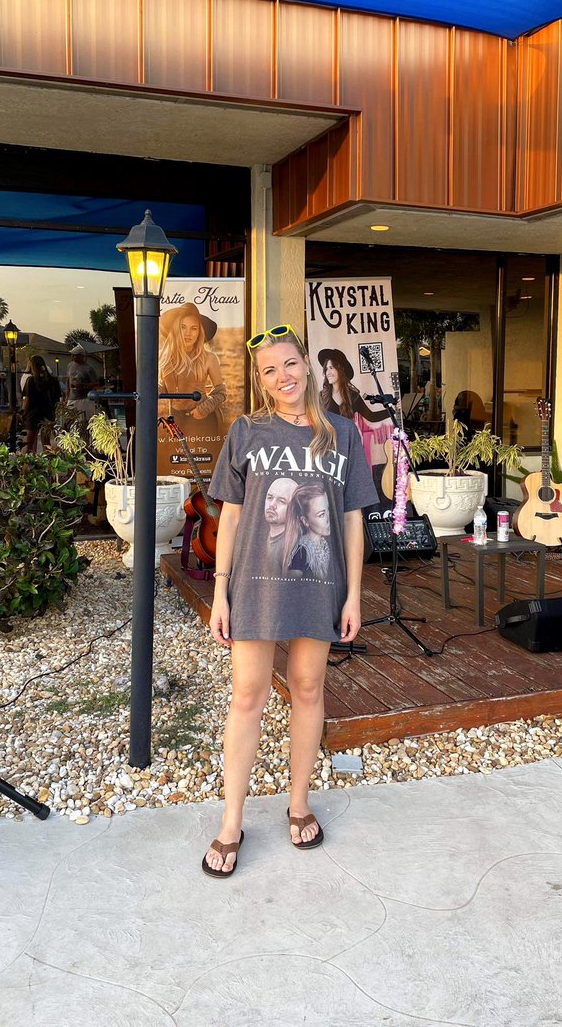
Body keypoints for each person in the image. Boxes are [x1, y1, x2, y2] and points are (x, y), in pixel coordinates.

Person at [202, 324, 377, 877]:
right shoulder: (247, 431)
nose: (283, 377)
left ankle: (298, 803)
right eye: (269, 370)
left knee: (307, 688)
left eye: (290, 363)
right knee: (247, 697)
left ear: (308, 364)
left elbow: (351, 520)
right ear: (259, 380)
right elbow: (230, 514)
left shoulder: (343, 434)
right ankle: (232, 822)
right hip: (254, 584)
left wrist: (353, 593)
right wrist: (220, 589)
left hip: (318, 584)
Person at [318, 347, 393, 501]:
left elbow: (371, 416)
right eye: (326, 369)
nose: (328, 372)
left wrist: (391, 410)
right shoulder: (321, 396)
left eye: (332, 367)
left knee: (349, 488)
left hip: (348, 447)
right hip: (328, 447)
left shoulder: (354, 396)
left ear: (340, 370)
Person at [158, 302, 227, 436]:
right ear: (176, 329)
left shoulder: (209, 358)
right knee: (175, 456)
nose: (188, 333)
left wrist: (204, 409)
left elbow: (221, 392)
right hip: (175, 419)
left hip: (203, 419)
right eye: (183, 327)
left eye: (194, 328)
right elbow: (165, 386)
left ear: (199, 332)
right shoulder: (164, 357)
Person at [283, 483, 331, 579]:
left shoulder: (324, 544)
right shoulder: (301, 552)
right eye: (321, 514)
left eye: (328, 510)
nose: (328, 518)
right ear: (305, 521)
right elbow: (290, 587)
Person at [20, 354, 62, 453]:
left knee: (29, 442)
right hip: (48, 413)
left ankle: (28, 464)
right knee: (46, 442)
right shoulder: (53, 380)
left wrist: (23, 413)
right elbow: (57, 397)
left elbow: (27, 399)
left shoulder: (31, 380)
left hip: (33, 413)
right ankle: (48, 464)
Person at [263, 476, 299, 575]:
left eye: (281, 501)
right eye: (270, 498)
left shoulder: (296, 548)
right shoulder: (259, 539)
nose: (272, 505)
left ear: (294, 508)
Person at [66, 344, 99, 427]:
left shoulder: (88, 369)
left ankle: (86, 438)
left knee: (84, 422)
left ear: (81, 356)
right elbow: (68, 380)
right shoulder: (70, 365)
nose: (72, 356)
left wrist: (84, 385)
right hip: (72, 398)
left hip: (84, 399)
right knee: (68, 420)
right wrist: (67, 395)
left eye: (75, 355)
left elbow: (96, 383)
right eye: (72, 355)